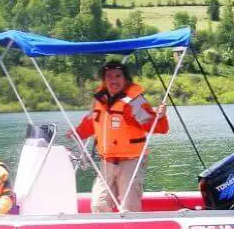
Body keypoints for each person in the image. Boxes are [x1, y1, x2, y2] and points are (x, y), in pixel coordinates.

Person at [69, 61, 168, 212]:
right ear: (104, 79)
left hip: (131, 161)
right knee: (99, 205)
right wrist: (77, 133)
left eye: (118, 76)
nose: (113, 80)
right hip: (107, 162)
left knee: (129, 207)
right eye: (109, 76)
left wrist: (160, 117)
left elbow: (158, 127)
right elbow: (91, 122)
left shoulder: (134, 101)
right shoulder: (99, 100)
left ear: (126, 79)